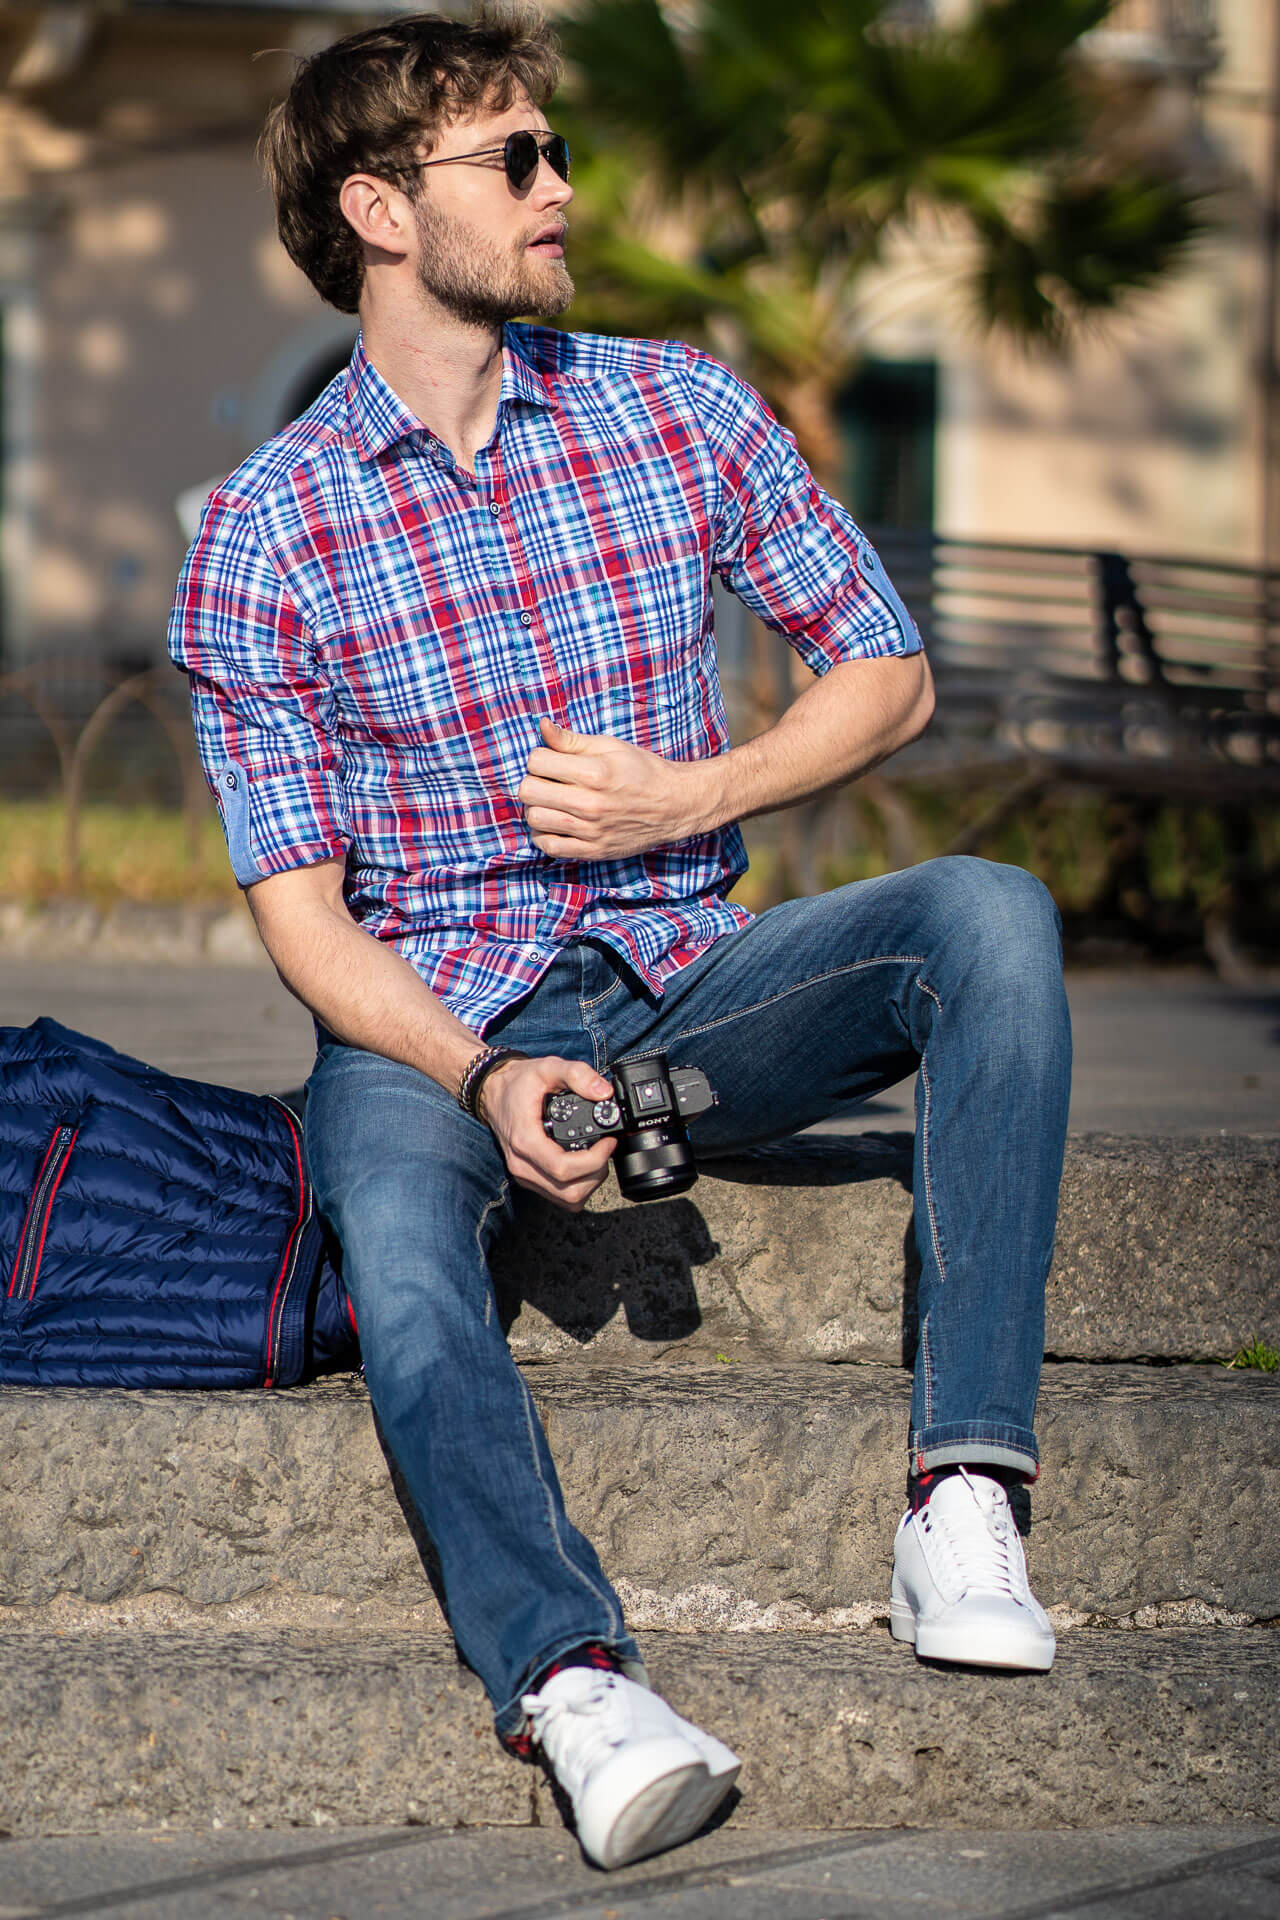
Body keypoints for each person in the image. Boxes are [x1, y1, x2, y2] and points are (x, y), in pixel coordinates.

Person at [169, 5, 1071, 1872]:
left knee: (987, 916)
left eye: (554, 147)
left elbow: (888, 674)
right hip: (441, 1019)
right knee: (399, 1235)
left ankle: (962, 1489)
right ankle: (574, 1681)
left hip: (697, 981)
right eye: (515, 159)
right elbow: (301, 918)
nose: (562, 187)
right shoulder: (266, 533)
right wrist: (482, 1071)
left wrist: (693, 795)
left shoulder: (681, 407)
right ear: (381, 212)